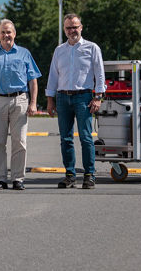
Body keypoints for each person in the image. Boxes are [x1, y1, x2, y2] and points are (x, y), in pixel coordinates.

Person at [0, 19, 40, 190]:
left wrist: (33, 103)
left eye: (9, 32)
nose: (6, 35)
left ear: (15, 33)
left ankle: (18, 178)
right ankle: (0, 179)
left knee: (20, 141)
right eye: (3, 32)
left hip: (20, 99)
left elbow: (33, 80)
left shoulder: (24, 53)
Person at [45, 13, 106, 189]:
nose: (72, 30)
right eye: (69, 28)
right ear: (65, 30)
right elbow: (53, 76)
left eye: (75, 27)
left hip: (84, 97)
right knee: (66, 139)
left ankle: (89, 175)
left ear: (81, 27)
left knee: (86, 138)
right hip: (63, 97)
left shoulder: (92, 48)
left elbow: (99, 74)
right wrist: (50, 100)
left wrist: (98, 96)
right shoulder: (59, 50)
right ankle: (70, 175)